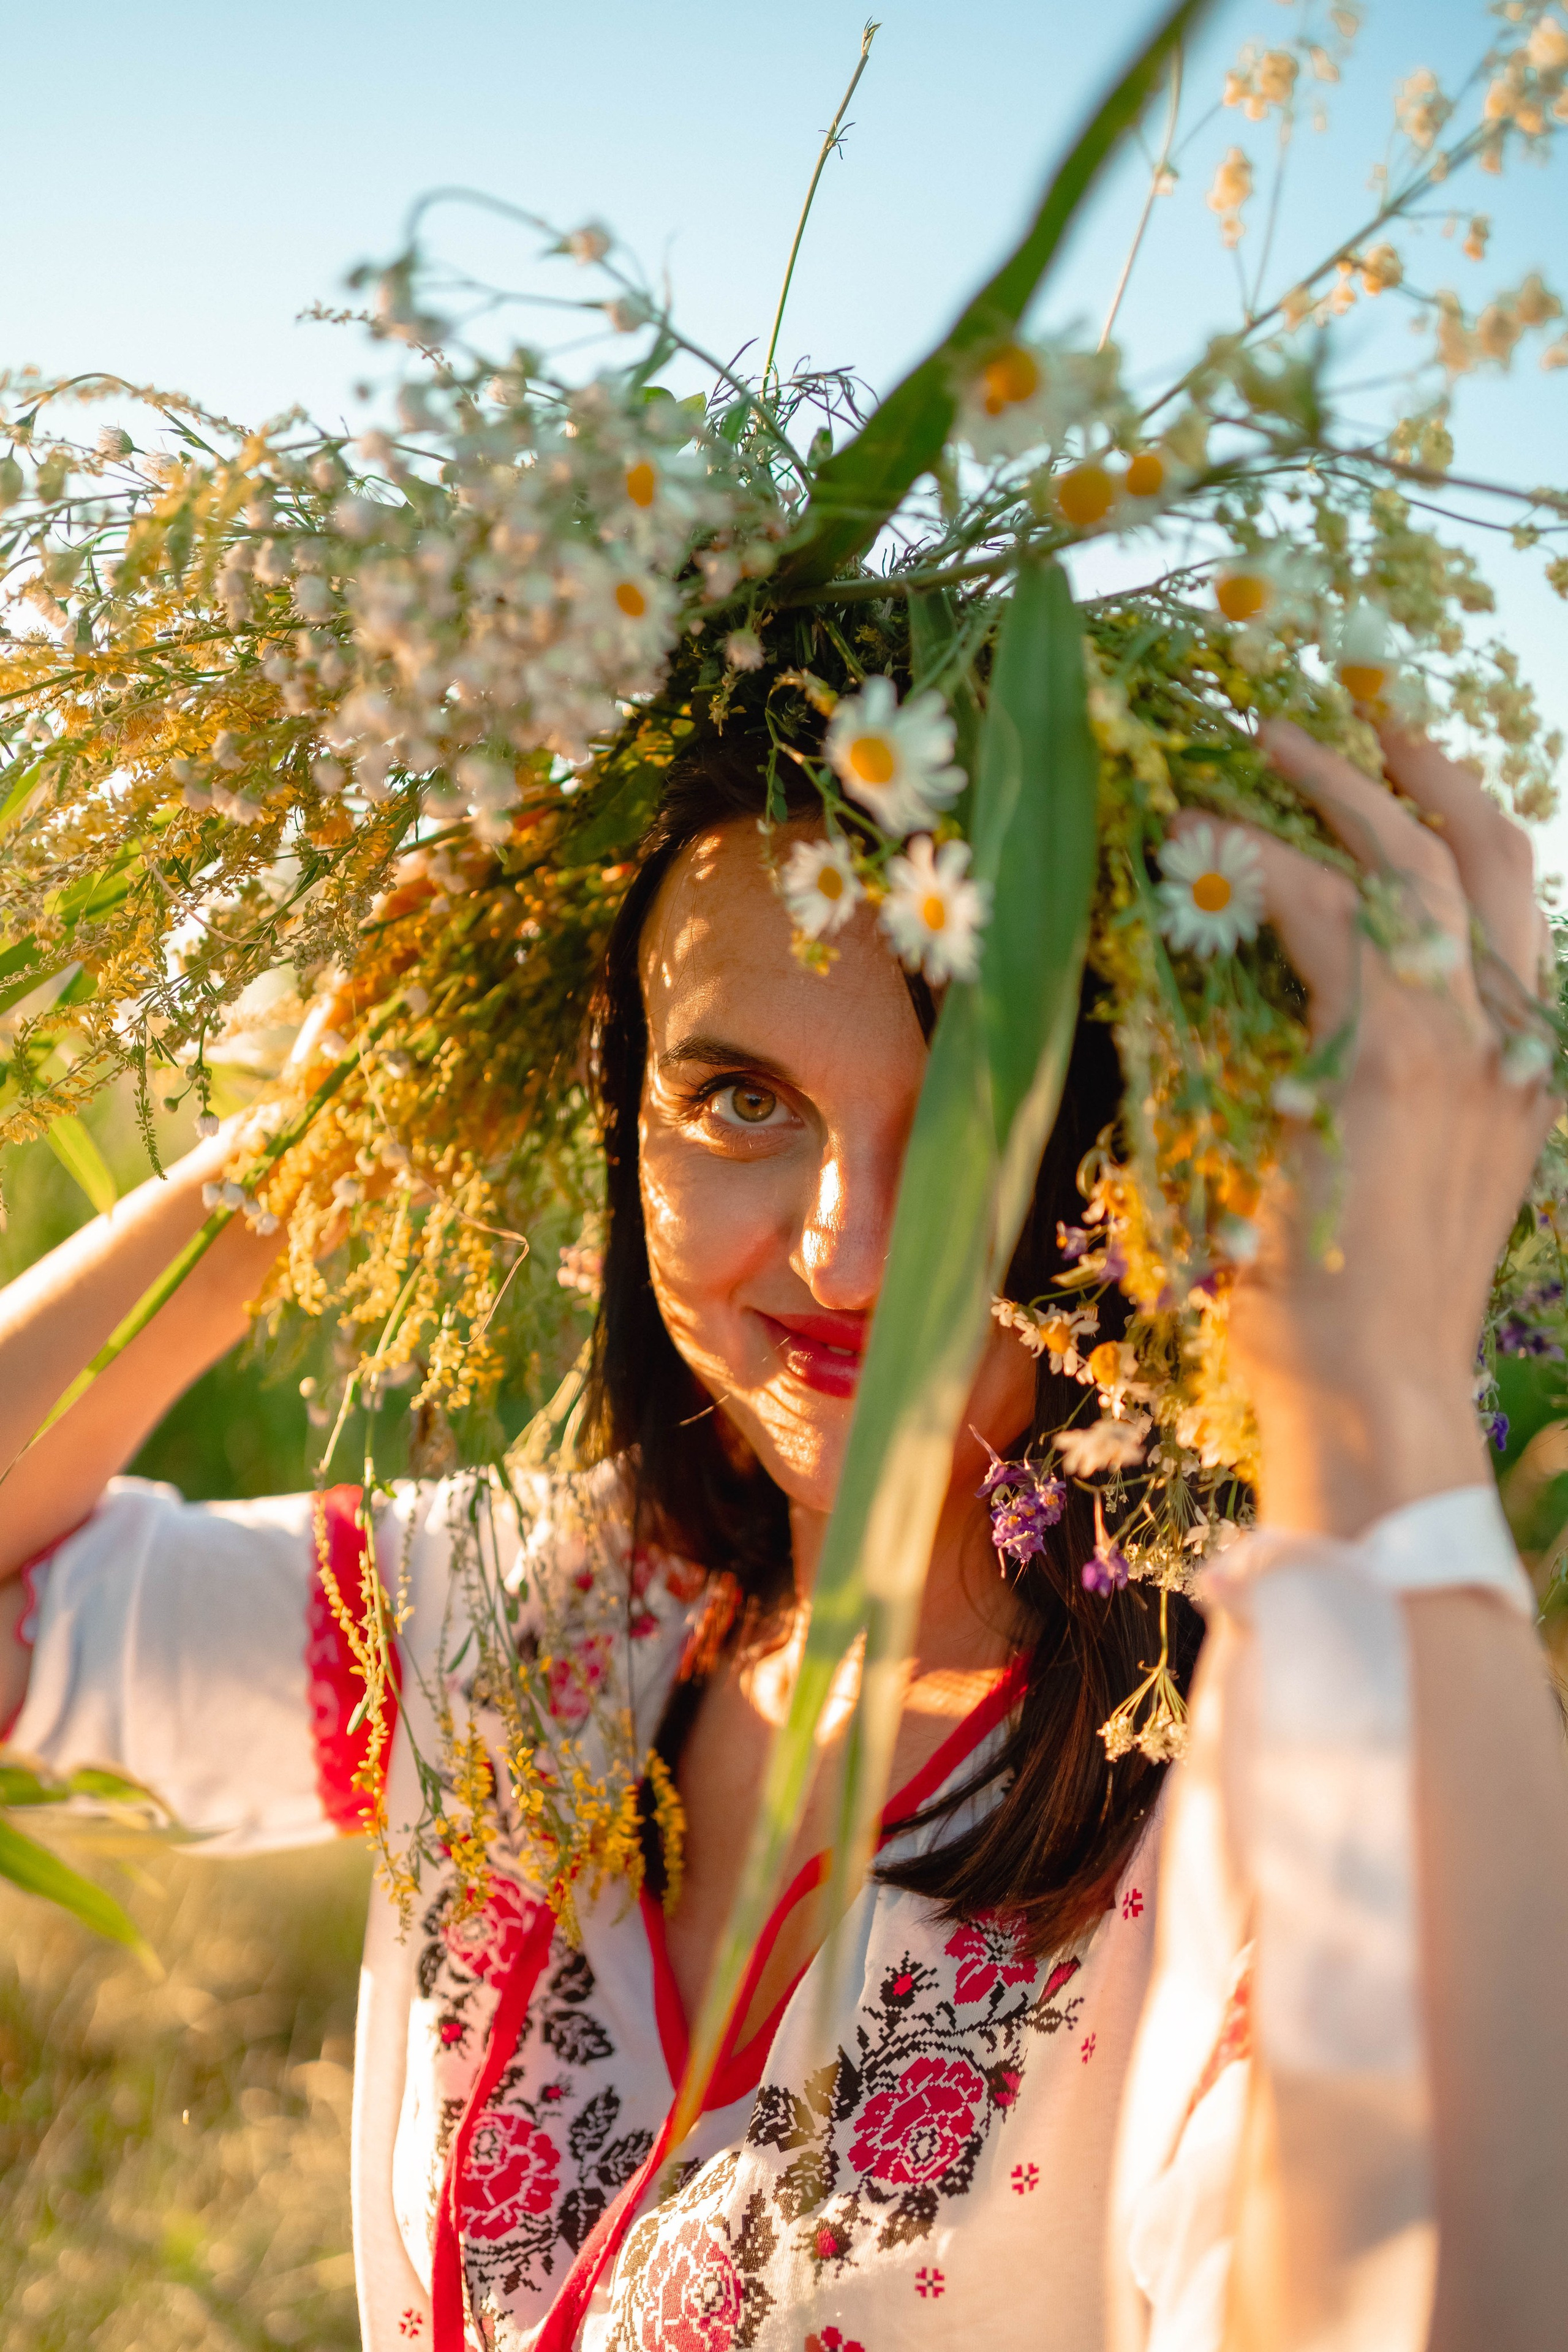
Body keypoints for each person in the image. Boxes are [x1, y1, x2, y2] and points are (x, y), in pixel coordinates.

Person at [1, 701, 1566, 2352]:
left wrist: (1378, 1393)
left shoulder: (1251, 1816)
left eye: (984, 1120)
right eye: (743, 1100)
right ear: (629, 1124)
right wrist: (311, 1149)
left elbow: (1440, 2295)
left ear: (1146, 1165)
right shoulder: (525, 1617)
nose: (847, 1254)